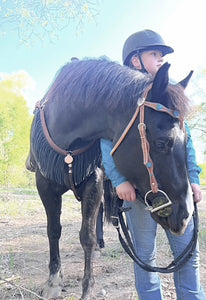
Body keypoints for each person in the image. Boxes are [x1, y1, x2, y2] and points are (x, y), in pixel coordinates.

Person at [101, 29, 205, 299]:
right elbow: (105, 141)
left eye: (161, 56)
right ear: (135, 60)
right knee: (145, 258)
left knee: (187, 254)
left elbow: (185, 141)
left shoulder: (169, 96)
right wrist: (119, 179)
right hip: (138, 193)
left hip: (176, 188)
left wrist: (193, 177)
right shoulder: (117, 100)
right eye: (154, 54)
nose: (160, 59)